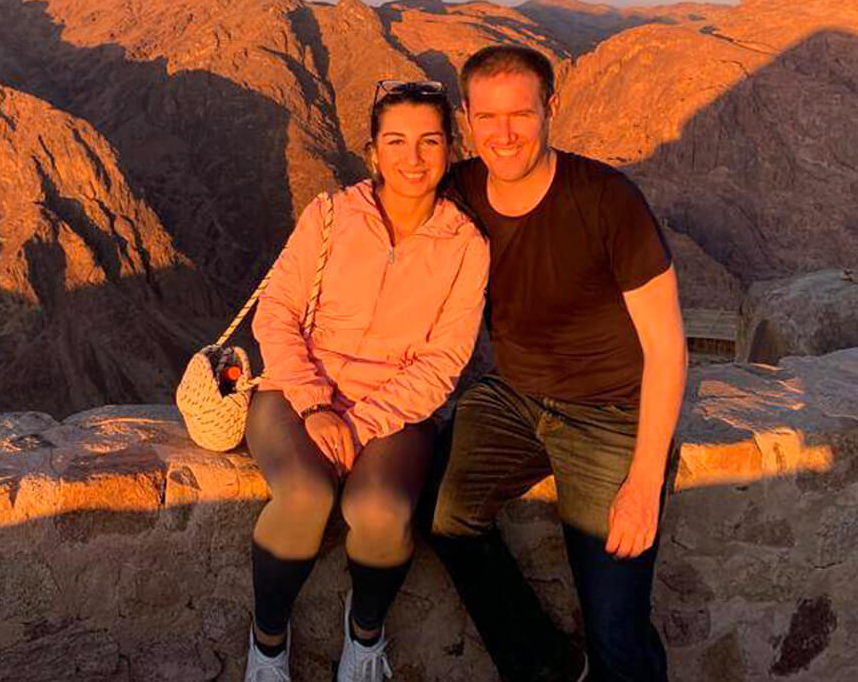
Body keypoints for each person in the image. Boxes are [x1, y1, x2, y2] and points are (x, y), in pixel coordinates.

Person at [430, 44, 687, 682]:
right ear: (466, 118)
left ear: (551, 108)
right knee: (444, 514)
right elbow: (380, 220)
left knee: (617, 631)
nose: (504, 134)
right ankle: (547, 666)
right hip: (514, 397)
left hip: (610, 413)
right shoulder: (462, 189)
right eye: (487, 117)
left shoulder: (606, 200)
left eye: (520, 114)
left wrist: (644, 483)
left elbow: (666, 346)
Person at [244, 80, 490, 682]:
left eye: (429, 141)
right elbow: (276, 313)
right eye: (396, 141)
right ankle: (268, 644)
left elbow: (443, 361)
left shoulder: (466, 245)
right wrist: (315, 405)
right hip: (295, 391)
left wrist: (358, 424)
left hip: (396, 408)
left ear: (451, 148)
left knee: (380, 512)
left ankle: (365, 635)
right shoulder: (330, 215)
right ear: (373, 151)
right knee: (304, 499)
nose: (413, 158)